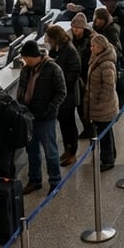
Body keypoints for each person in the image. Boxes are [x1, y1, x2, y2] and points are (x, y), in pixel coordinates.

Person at [17, 39, 67, 194]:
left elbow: (61, 92)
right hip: (29, 117)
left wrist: (50, 108)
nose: (24, 61)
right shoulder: (26, 70)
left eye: (26, 58)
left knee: (50, 151)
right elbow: (22, 89)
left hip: (46, 117)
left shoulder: (53, 69)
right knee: (32, 151)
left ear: (33, 56)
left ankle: (55, 181)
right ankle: (35, 180)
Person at [45, 25, 82, 167]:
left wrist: (58, 82)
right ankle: (67, 149)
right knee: (64, 124)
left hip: (68, 95)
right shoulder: (57, 49)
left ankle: (72, 152)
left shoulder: (69, 51)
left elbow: (74, 72)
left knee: (69, 124)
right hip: (62, 95)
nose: (47, 39)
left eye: (49, 37)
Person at [85, 33, 119, 172]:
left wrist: (99, 102)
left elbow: (109, 87)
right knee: (106, 131)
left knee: (104, 134)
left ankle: (108, 160)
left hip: (103, 106)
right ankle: (110, 155)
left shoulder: (106, 64)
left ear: (102, 48)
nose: (92, 49)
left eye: (95, 46)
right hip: (98, 104)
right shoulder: (97, 58)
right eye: (91, 46)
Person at [69, 12, 96, 140]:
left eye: (78, 28)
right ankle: (87, 128)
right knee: (80, 105)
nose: (75, 30)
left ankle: (91, 128)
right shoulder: (70, 39)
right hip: (78, 76)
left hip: (87, 75)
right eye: (74, 28)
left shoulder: (91, 40)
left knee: (87, 105)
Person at [99, 0, 124, 73]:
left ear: (113, 2)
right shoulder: (108, 12)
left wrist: (120, 42)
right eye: (104, 1)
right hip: (115, 42)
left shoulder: (121, 13)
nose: (105, 4)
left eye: (107, 1)